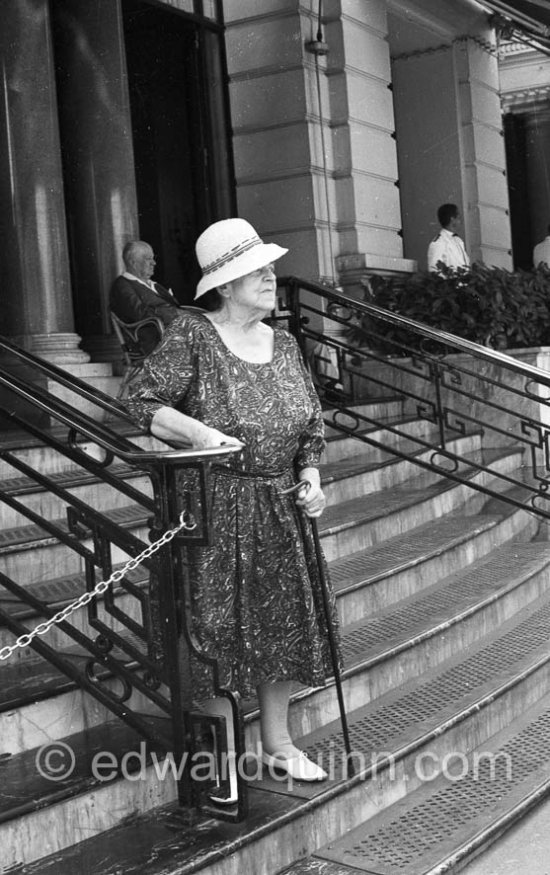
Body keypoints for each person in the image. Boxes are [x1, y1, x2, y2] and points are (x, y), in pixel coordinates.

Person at [126, 218, 340, 802]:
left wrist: (312, 477)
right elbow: (140, 400)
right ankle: (222, 754)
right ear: (225, 284)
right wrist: (201, 433)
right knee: (216, 629)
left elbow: (311, 430)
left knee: (282, 624)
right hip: (216, 506)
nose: (272, 277)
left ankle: (279, 743)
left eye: (270, 266)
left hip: (280, 505)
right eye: (258, 270)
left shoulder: (288, 344)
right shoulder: (194, 335)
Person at [110, 240, 183, 355]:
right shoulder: (122, 285)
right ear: (133, 262)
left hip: (174, 334)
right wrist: (176, 313)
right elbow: (140, 313)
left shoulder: (156, 286)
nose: (154, 263)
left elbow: (176, 305)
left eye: (153, 258)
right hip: (151, 341)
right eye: (148, 259)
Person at [427, 203, 470, 274]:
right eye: (459, 217)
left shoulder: (458, 240)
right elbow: (434, 271)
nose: (461, 221)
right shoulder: (439, 242)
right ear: (452, 219)